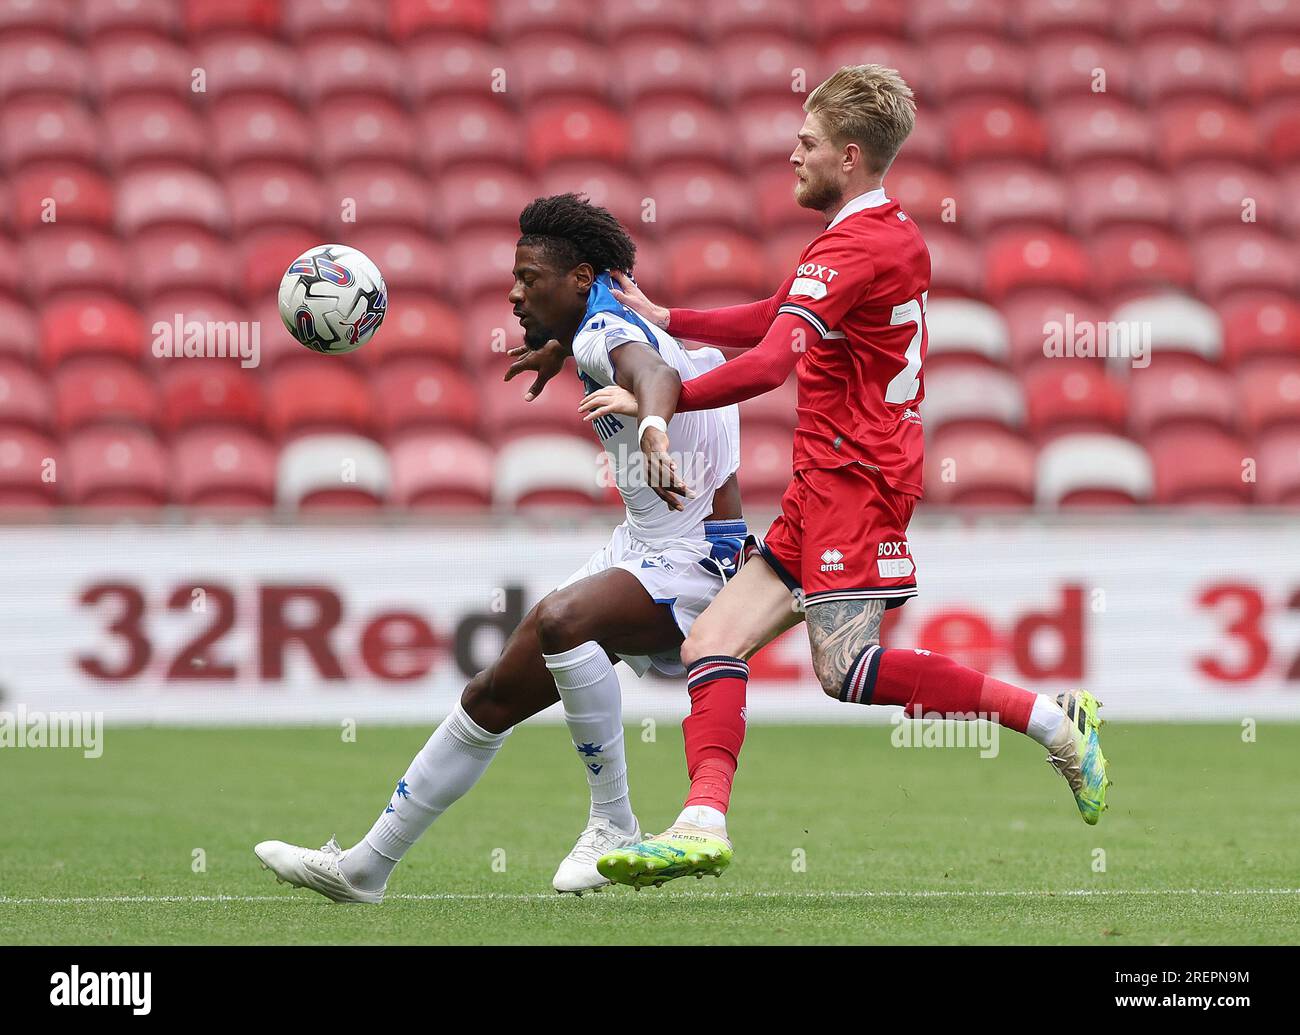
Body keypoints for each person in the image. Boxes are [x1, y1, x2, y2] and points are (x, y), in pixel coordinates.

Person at [527, 66, 1110, 891]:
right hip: (828, 478)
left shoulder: (853, 244)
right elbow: (776, 314)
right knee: (711, 641)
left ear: (847, 153)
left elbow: (770, 363)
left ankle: (1057, 724)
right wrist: (669, 321)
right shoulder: (887, 234)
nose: (790, 155)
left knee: (849, 672)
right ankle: (700, 822)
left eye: (804, 144)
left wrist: (663, 396)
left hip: (857, 481)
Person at [254, 194, 744, 900]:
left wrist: (653, 426)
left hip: (697, 558)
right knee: (491, 695)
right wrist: (568, 353)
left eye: (528, 277)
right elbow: (665, 357)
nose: (514, 293)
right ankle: (365, 866)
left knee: (562, 622)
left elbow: (652, 374)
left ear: (579, 277)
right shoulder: (608, 318)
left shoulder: (604, 331)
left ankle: (612, 822)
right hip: (644, 544)